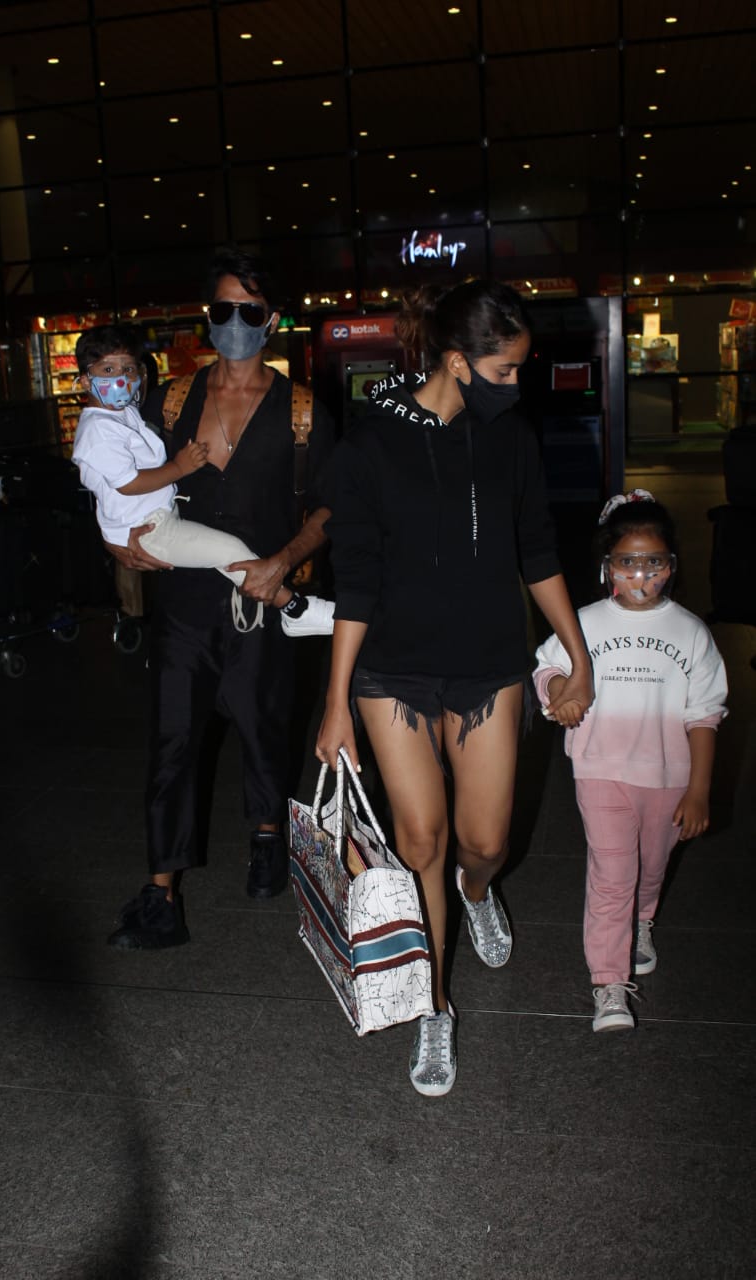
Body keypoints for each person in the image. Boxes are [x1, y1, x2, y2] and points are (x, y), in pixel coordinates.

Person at [315, 279, 594, 1097]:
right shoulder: (368, 445)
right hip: (391, 670)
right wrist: (335, 703)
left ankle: (477, 893)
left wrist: (576, 657)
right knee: (421, 842)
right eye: (504, 371)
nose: (516, 385)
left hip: (485, 663)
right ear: (455, 361)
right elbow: (354, 580)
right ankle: (433, 1005)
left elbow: (536, 549)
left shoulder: (509, 438)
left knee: (483, 842)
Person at [101, 249, 337, 949]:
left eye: (249, 310)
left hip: (265, 596)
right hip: (183, 600)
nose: (235, 321)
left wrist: (286, 559)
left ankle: (266, 834)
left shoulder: (302, 410)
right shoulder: (168, 401)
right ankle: (160, 893)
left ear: (272, 320)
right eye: (223, 308)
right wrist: (114, 543)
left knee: (266, 725)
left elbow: (333, 504)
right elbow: (114, 478)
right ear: (208, 316)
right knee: (173, 737)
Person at [532, 490, 728, 1033]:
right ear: (606, 567)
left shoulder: (691, 632)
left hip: (668, 777)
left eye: (653, 562)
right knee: (612, 875)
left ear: (672, 565)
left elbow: (705, 716)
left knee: (652, 866)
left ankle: (641, 921)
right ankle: (609, 983)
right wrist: (558, 691)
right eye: (627, 562)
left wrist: (699, 790)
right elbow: (547, 666)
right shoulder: (584, 623)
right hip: (600, 770)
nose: (640, 574)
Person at [71, 322, 335, 635]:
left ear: (272, 321)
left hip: (246, 621)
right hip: (160, 552)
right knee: (230, 551)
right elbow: (122, 483)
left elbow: (332, 501)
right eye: (108, 369)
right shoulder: (149, 407)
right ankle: (294, 608)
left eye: (127, 369)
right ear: (85, 380)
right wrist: (115, 535)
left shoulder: (126, 412)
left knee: (228, 553)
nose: (121, 378)